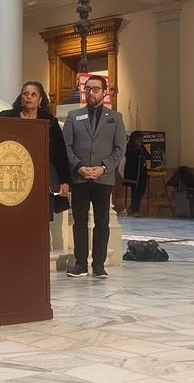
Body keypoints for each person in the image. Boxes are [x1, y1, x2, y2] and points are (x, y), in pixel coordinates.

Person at [63, 75, 126, 279]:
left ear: (104, 92)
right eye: (88, 89)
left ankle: (99, 265)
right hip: (80, 178)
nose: (91, 93)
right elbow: (67, 147)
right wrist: (79, 167)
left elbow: (119, 148)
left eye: (96, 89)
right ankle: (81, 264)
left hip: (103, 178)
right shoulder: (74, 116)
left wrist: (103, 167)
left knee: (102, 222)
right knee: (79, 222)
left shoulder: (115, 118)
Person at [0, 81, 70, 214]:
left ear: (40, 100)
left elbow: (60, 153)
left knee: (40, 217)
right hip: (14, 175)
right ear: (21, 98)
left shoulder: (50, 121)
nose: (29, 97)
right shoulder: (6, 118)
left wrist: (64, 181)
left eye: (33, 94)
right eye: (25, 94)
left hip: (43, 177)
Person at [123, 131, 151, 218]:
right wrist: (137, 150)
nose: (140, 141)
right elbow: (130, 157)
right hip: (133, 174)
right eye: (139, 139)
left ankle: (133, 206)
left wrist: (141, 147)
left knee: (142, 190)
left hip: (141, 173)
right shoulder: (129, 147)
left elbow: (148, 156)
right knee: (135, 192)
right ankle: (135, 209)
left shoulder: (140, 147)